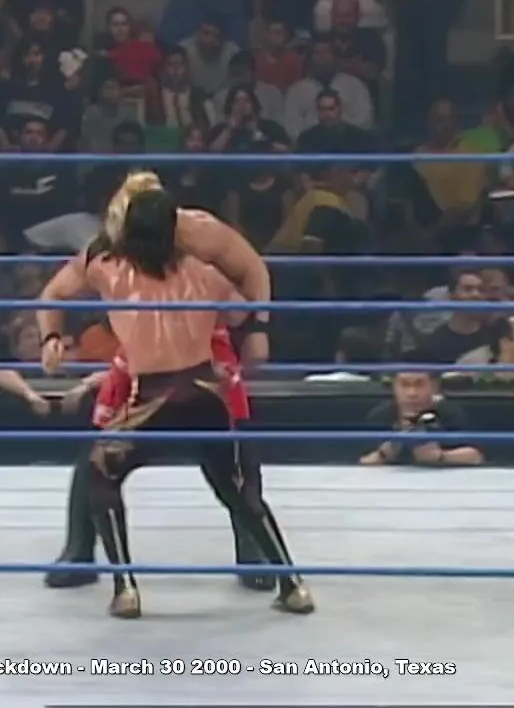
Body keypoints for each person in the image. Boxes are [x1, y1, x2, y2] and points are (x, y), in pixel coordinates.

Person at [36, 172, 310, 619]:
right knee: (237, 488)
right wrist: (238, 321)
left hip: (154, 398)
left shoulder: (108, 267)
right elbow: (238, 310)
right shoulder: (205, 273)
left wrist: (53, 337)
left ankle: (125, 589)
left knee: (101, 468)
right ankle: (293, 584)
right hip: (204, 392)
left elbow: (53, 294)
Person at [45, 322, 276, 592]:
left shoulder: (207, 313)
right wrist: (51, 337)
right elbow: (58, 298)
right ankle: (79, 550)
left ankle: (254, 548)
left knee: (234, 455)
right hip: (146, 373)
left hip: (204, 369)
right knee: (97, 453)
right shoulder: (135, 322)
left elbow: (240, 308)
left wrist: (257, 324)